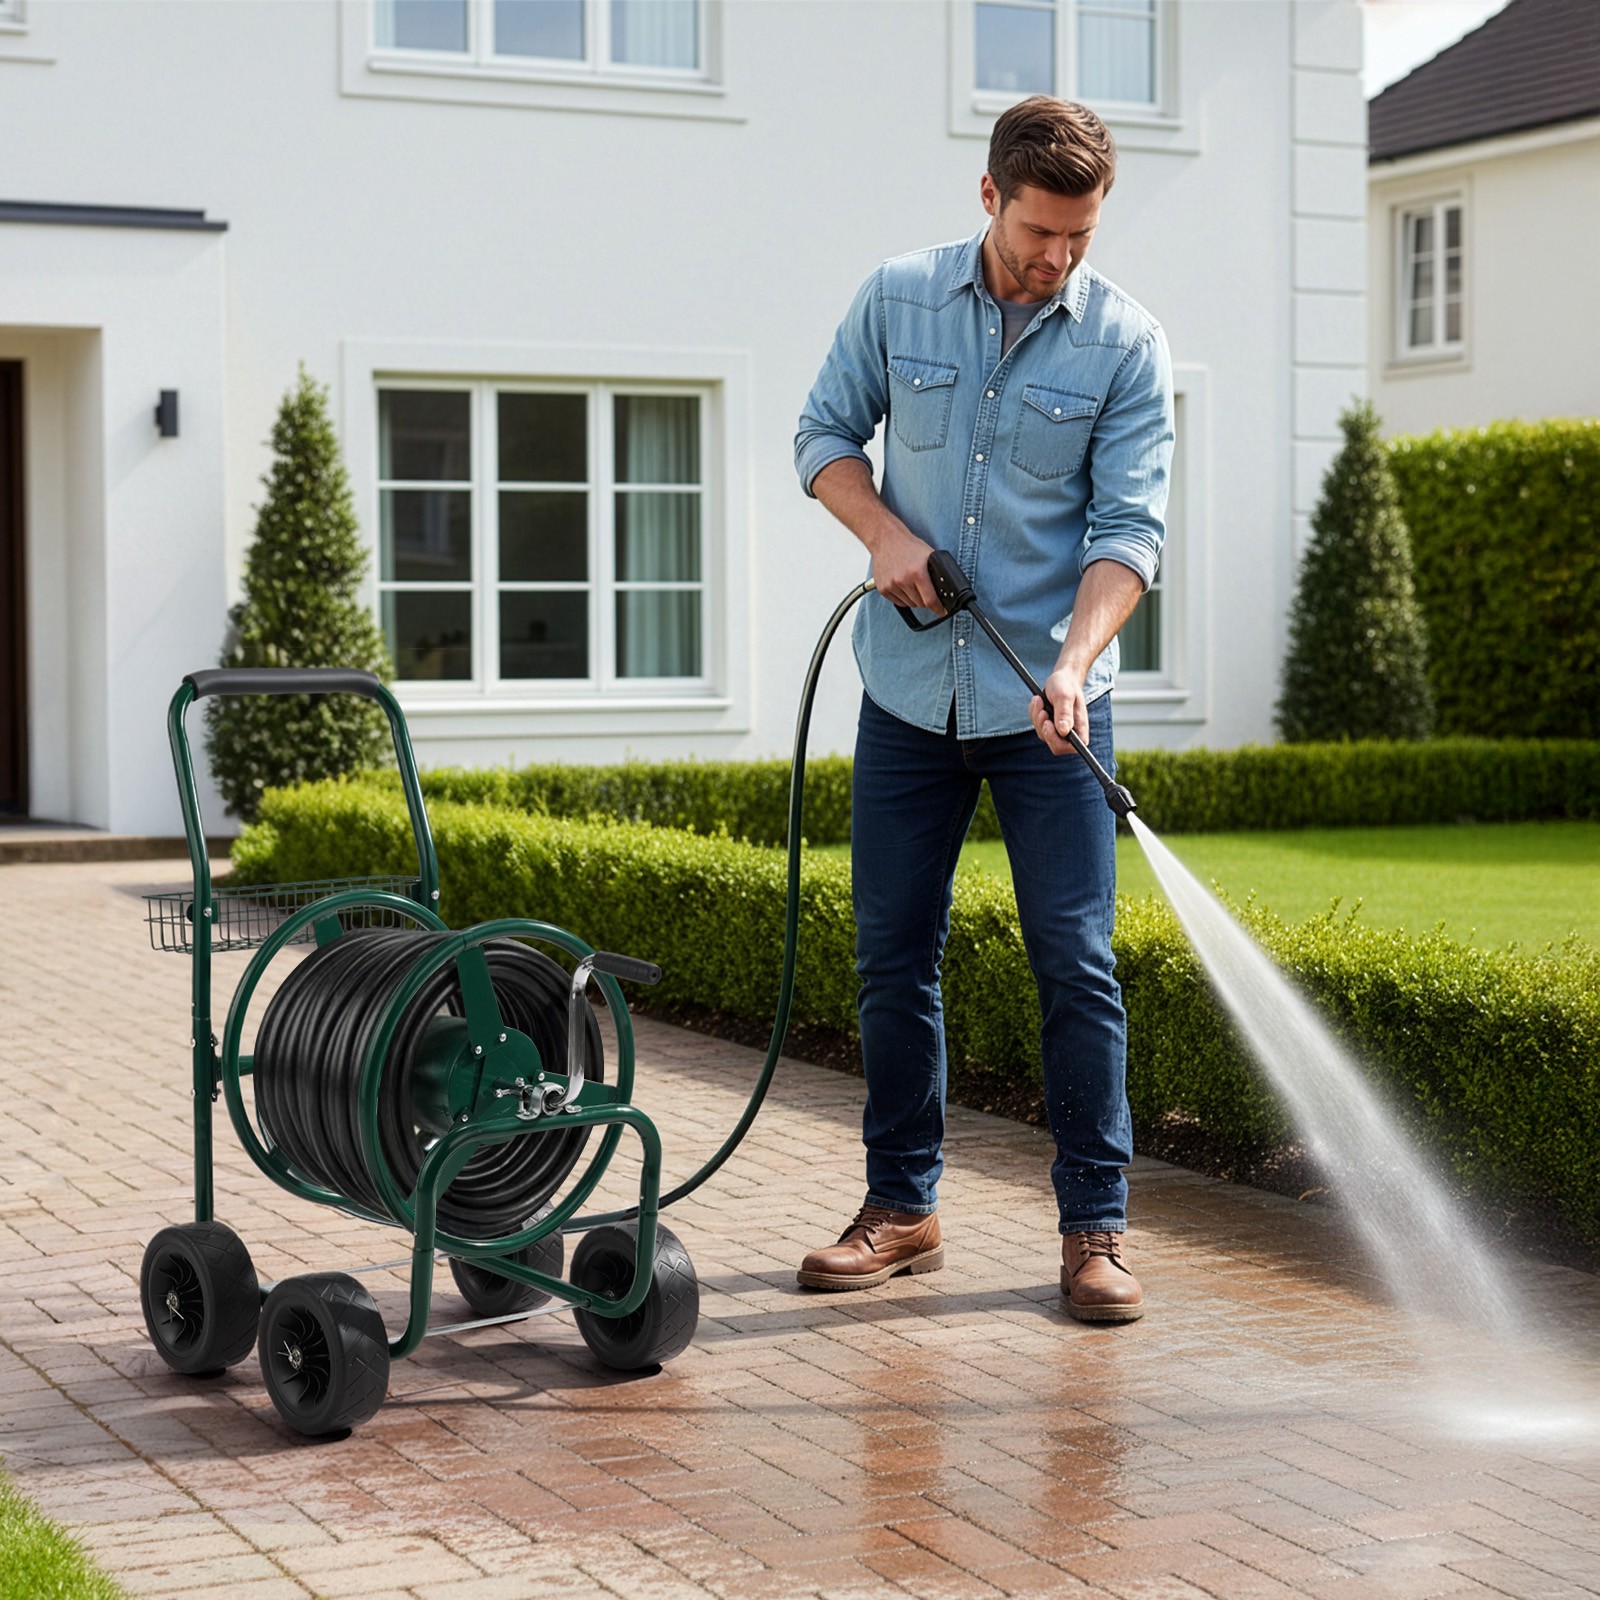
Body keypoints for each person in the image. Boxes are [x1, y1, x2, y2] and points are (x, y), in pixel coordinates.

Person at [791, 95, 1173, 1322]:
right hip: (907, 696)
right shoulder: (896, 297)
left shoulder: (1125, 343)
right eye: (1036, 232)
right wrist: (883, 530)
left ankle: (1095, 1232)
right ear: (989, 197)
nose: (1055, 257)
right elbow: (821, 436)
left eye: (1078, 235)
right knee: (891, 955)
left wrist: (1072, 661)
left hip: (1048, 706)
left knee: (1076, 960)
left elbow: (1127, 536)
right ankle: (902, 1207)